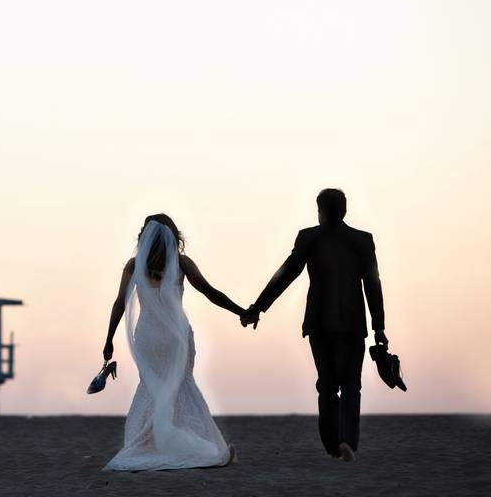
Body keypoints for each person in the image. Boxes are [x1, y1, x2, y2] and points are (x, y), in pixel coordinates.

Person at [239, 189, 387, 462]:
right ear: (344, 210)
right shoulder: (362, 240)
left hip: (319, 322)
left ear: (320, 211)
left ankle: (332, 445)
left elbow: (285, 274)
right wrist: (379, 326)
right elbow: (372, 283)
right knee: (352, 383)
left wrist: (258, 307)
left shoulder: (309, 237)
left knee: (327, 384)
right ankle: (348, 442)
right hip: (353, 323)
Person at [102, 213, 245, 471]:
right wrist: (241, 312)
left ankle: (149, 443)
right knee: (181, 385)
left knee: (150, 386)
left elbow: (119, 304)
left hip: (146, 336)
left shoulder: (134, 265)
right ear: (173, 236)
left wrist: (108, 340)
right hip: (174, 337)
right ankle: (194, 445)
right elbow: (210, 292)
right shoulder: (181, 263)